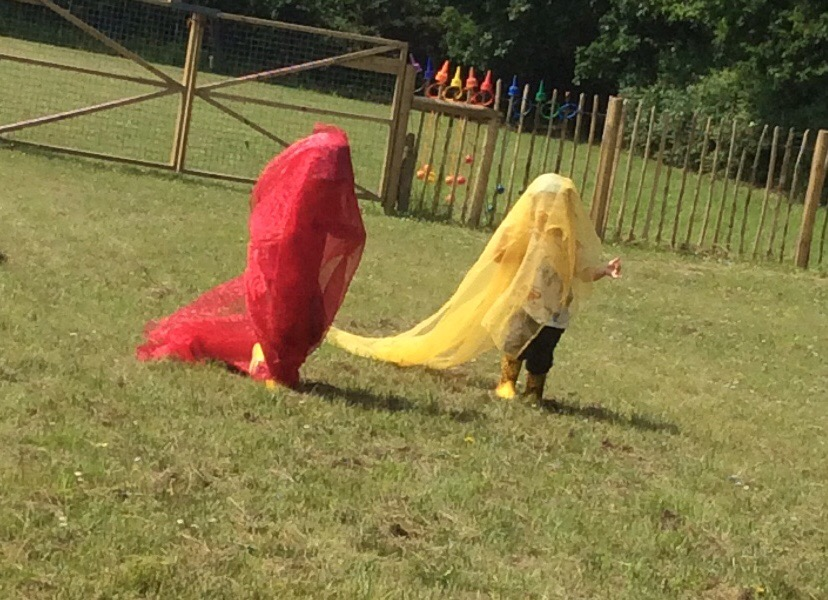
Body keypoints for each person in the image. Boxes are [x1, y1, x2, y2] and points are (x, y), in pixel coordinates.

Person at [327, 173, 617, 403]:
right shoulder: (527, 233)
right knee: (515, 342)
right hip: (524, 303)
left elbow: (582, 271)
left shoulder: (570, 243)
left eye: (554, 207)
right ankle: (507, 381)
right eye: (543, 205)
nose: (548, 212)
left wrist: (603, 270)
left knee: (543, 353)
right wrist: (509, 247)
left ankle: (534, 389)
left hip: (555, 312)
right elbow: (502, 256)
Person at [137, 125, 366, 388]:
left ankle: (276, 362)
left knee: (305, 322)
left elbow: (341, 228)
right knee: (287, 321)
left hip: (303, 271)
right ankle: (272, 362)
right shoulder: (292, 209)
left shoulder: (318, 198)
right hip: (286, 271)